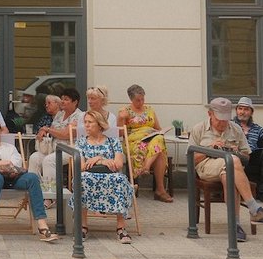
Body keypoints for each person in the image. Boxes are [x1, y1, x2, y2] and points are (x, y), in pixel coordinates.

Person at [190, 97, 263, 242]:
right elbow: (192, 158)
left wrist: (236, 151)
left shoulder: (236, 129)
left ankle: (235, 226)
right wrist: (211, 148)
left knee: (229, 174)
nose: (222, 123)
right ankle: (254, 209)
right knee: (232, 161)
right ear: (210, 114)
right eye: (219, 119)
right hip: (206, 167)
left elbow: (247, 157)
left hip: (231, 169)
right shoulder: (199, 129)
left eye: (225, 119)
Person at [0, 117, 58, 245]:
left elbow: (15, 165)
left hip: (12, 179)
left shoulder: (9, 147)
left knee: (32, 177)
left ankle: (42, 225)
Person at [71, 110, 135, 244]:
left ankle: (121, 228)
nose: (86, 126)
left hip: (110, 176)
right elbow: (81, 166)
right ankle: (83, 226)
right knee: (81, 180)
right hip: (89, 176)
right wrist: (101, 159)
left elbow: (118, 164)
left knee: (120, 180)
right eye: (85, 122)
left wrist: (97, 159)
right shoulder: (81, 142)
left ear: (99, 124)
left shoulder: (113, 141)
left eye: (90, 122)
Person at [27, 87, 83, 208]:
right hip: (53, 149)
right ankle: (33, 192)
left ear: (75, 102)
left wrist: (48, 129)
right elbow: (53, 131)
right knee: (34, 157)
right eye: (62, 99)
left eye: (66, 99)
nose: (62, 101)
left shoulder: (79, 116)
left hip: (69, 150)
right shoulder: (59, 114)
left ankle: (50, 196)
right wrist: (43, 130)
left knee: (49, 161)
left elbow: (66, 134)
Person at [117, 84, 173, 203]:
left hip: (152, 139)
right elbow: (120, 133)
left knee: (158, 139)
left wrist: (160, 132)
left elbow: (158, 128)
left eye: (143, 99)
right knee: (159, 149)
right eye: (138, 100)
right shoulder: (125, 111)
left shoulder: (150, 110)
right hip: (134, 141)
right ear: (131, 99)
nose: (141, 102)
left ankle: (146, 168)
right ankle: (160, 191)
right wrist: (121, 119)